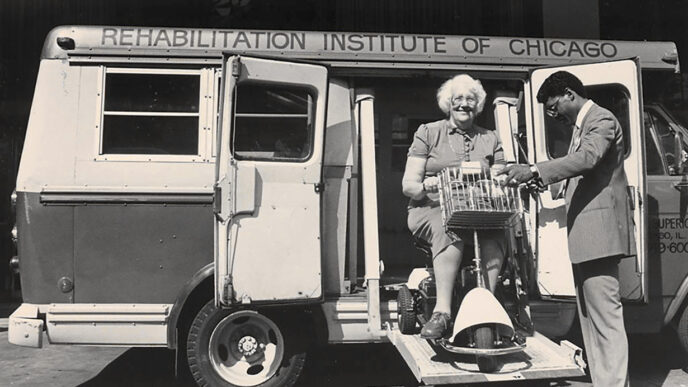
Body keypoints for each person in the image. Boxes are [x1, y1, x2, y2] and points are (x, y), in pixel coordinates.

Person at [499, 71, 634, 387]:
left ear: (570, 94)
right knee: (593, 323)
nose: (552, 113)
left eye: (552, 105)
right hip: (588, 236)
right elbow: (582, 170)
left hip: (599, 236)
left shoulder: (602, 120)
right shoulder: (582, 126)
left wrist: (535, 169)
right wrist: (540, 181)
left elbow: (587, 159)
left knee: (606, 321)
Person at [402, 74, 506, 339]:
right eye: (457, 98)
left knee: (496, 238)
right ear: (448, 103)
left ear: (478, 105)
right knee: (450, 230)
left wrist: (496, 183)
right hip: (432, 208)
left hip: (477, 208)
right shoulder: (428, 132)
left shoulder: (491, 138)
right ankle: (443, 312)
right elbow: (409, 185)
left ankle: (487, 306)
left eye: (470, 99)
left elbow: (501, 175)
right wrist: (428, 185)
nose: (464, 104)